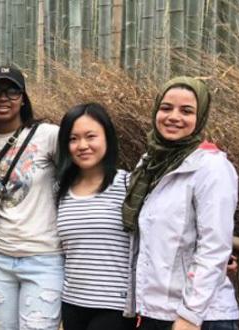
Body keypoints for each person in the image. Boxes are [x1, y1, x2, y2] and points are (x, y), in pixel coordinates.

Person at [122, 77, 239, 330]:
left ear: (201, 117)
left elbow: (214, 248)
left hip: (201, 318)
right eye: (166, 108)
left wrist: (189, 316)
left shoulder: (212, 167)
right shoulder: (149, 165)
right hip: (156, 311)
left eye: (186, 111)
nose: (174, 117)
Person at [0, 65, 63, 330]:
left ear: (23, 98)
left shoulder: (49, 135)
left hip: (43, 257)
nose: (3, 98)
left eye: (12, 91)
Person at [54, 103, 136, 330]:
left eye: (91, 136)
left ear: (107, 138)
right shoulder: (60, 190)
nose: (82, 146)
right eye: (73, 139)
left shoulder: (129, 185)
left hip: (115, 306)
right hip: (72, 303)